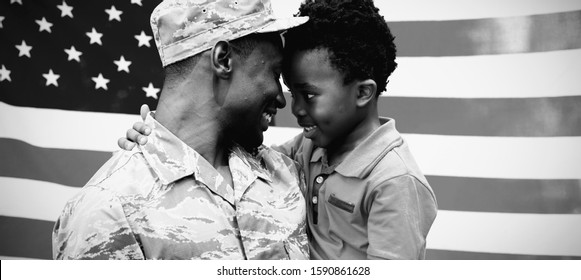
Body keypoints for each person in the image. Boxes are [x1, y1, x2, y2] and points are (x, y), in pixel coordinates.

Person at [120, 0, 438, 260]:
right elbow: (242, 157)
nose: (294, 107)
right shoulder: (308, 149)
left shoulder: (396, 181)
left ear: (362, 93)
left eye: (309, 95)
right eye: (290, 90)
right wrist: (158, 139)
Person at [52, 0, 310, 260]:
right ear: (223, 60)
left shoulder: (290, 174)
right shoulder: (107, 211)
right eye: (274, 73)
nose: (281, 98)